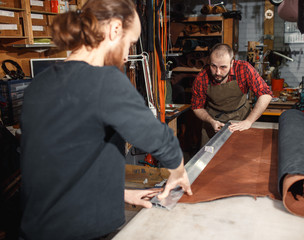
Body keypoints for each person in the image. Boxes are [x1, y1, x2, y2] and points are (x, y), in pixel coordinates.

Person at [19, 0, 192, 239]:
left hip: (39, 228)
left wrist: (120, 193)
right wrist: (179, 171)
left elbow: (64, 162)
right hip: (80, 231)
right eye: (130, 43)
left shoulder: (39, 84)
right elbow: (158, 138)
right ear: (114, 29)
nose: (127, 55)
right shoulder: (104, 81)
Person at [191, 43, 272, 146]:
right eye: (213, 66)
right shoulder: (202, 78)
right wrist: (211, 121)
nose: (218, 72)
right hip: (213, 121)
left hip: (241, 119)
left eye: (223, 67)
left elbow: (265, 94)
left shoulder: (244, 69)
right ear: (209, 62)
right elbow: (197, 107)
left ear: (232, 63)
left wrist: (249, 121)